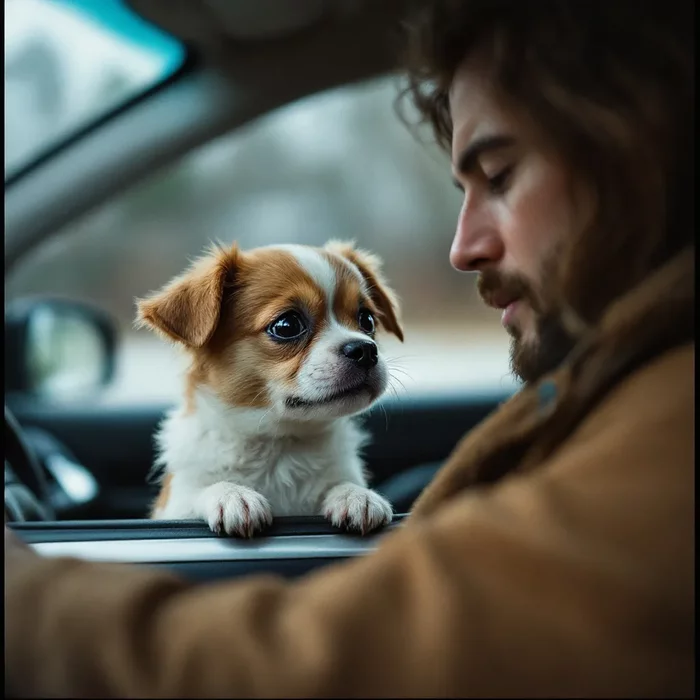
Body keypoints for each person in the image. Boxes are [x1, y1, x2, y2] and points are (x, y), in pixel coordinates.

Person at [4, 0, 694, 696]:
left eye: (502, 175)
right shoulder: (618, 392)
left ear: (643, 153)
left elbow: (296, 668)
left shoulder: (670, 438)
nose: (462, 249)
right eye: (287, 327)